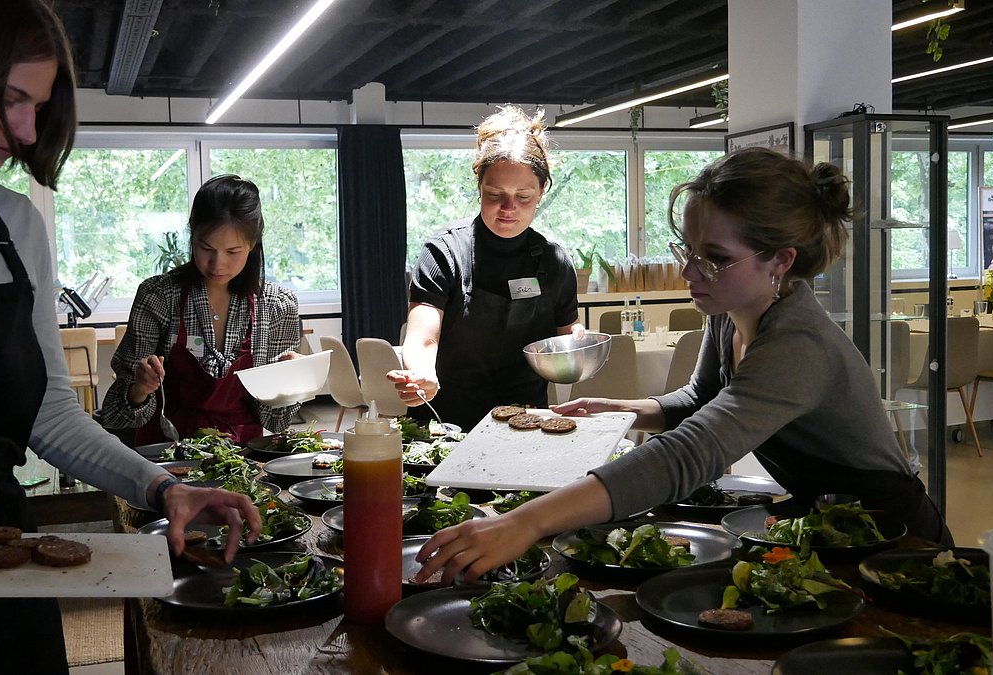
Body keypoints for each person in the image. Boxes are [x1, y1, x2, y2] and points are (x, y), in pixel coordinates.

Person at [0, 1, 260, 671]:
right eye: (12, 100)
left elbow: (49, 411)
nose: (26, 130)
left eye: (38, 108)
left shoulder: (15, 227)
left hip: (6, 565)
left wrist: (161, 487)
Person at [415, 147, 952, 585]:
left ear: (780, 261)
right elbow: (697, 403)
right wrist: (617, 410)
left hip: (891, 535)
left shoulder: (798, 344)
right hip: (826, 519)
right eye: (688, 249)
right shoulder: (730, 309)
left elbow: (693, 452)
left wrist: (527, 521)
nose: (690, 270)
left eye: (714, 257)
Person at [387, 106, 584, 431]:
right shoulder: (444, 252)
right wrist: (422, 375)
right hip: (445, 425)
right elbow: (422, 336)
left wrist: (577, 342)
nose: (509, 208)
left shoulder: (554, 262)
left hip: (525, 423)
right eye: (496, 194)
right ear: (479, 187)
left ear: (541, 192)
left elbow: (567, 341)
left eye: (523, 196)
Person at [101, 175, 303, 444]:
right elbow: (115, 415)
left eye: (233, 252)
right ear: (192, 236)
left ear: (253, 245)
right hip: (166, 452)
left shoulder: (277, 306)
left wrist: (289, 384)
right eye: (206, 248)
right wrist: (140, 388)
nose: (217, 264)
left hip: (243, 457)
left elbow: (277, 421)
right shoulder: (159, 296)